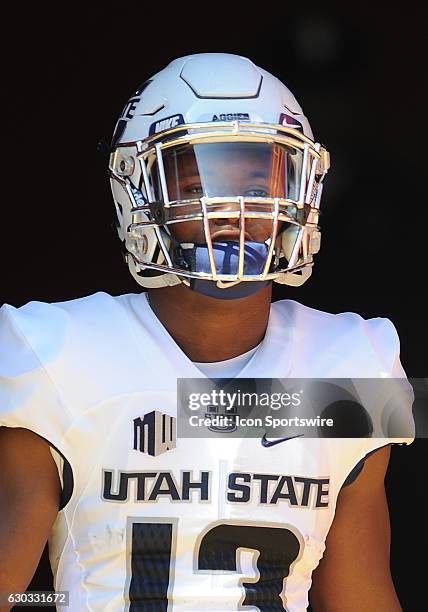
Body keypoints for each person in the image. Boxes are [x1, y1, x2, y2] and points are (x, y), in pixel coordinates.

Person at [0, 53, 414, 611]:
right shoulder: (54, 352)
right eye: (199, 178)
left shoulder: (351, 366)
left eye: (258, 178)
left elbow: (359, 595)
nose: (234, 206)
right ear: (137, 193)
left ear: (305, 189)